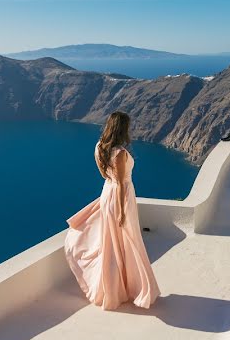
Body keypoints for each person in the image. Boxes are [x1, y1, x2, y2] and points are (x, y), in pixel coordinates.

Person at [64, 111, 160, 310]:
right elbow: (122, 184)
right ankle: (128, 288)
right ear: (122, 128)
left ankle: (117, 288)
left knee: (113, 243)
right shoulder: (120, 153)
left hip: (107, 192)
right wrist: (123, 213)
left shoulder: (100, 147)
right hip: (121, 198)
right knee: (128, 241)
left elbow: (104, 175)